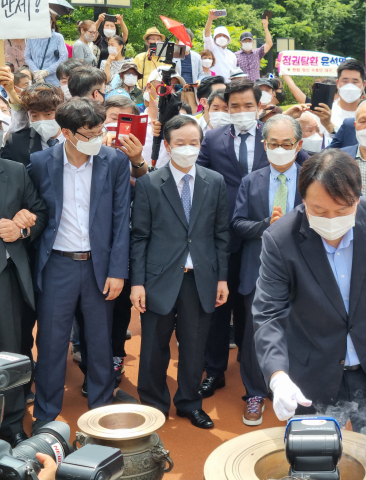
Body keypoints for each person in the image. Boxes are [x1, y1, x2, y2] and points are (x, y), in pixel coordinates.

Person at [253, 148, 366, 449]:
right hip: (312, 374)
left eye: (342, 210)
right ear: (302, 199)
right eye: (318, 210)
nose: (331, 220)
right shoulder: (280, 239)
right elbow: (268, 315)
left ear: (358, 196)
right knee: (315, 463)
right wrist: (277, 376)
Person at [196, 80, 311, 398]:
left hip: (265, 242)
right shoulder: (214, 137)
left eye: (248, 105)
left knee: (257, 314)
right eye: (235, 106)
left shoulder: (276, 134)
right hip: (225, 234)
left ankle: (268, 371)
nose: (242, 111)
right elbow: (199, 176)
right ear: (226, 107)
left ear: (259, 106)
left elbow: (307, 159)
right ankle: (215, 370)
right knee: (220, 308)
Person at [27, 97, 131, 432]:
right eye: (90, 134)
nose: (98, 139)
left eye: (101, 131)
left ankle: (100, 411)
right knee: (52, 343)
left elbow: (120, 220)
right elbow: (36, 209)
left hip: (99, 267)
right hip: (57, 265)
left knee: (100, 343)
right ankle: (45, 415)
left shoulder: (113, 161)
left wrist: (117, 271)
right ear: (67, 133)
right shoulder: (41, 162)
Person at [130, 115, 230, 428]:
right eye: (180, 143)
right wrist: (137, 283)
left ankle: (189, 402)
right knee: (153, 347)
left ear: (201, 145)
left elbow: (221, 234)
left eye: (194, 143)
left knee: (193, 346)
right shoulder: (149, 183)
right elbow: (140, 237)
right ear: (168, 146)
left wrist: (222, 277)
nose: (187, 149)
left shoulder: (214, 182)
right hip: (158, 278)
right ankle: (154, 404)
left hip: (200, 277)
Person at [230, 115, 306, 426]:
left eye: (286, 144)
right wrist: (267, 226)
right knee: (254, 335)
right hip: (259, 270)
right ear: (264, 145)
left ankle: (292, 389)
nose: (279, 149)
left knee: (298, 334)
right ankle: (255, 393)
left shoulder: (310, 179)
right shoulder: (252, 181)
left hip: (302, 272)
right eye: (272, 144)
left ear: (298, 145)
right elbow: (237, 223)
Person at [0, 157, 47, 447]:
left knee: (12, 350)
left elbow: (39, 212)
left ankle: (12, 422)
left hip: (7, 276)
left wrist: (22, 229)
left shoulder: (15, 170)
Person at [1, 84, 65, 167]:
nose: (42, 121)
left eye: (48, 114)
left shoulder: (78, 137)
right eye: (34, 116)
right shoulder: (17, 142)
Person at [24, 21, 69, 86]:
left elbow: (64, 57)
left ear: (51, 22)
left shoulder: (58, 37)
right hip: (36, 79)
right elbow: (27, 57)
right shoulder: (31, 38)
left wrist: (47, 71)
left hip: (53, 79)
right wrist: (36, 72)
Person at [203, 11, 237, 82]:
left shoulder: (232, 55)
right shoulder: (211, 49)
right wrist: (210, 19)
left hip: (229, 87)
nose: (222, 37)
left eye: (224, 36)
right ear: (214, 38)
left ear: (228, 38)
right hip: (214, 84)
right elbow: (207, 36)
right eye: (219, 35)